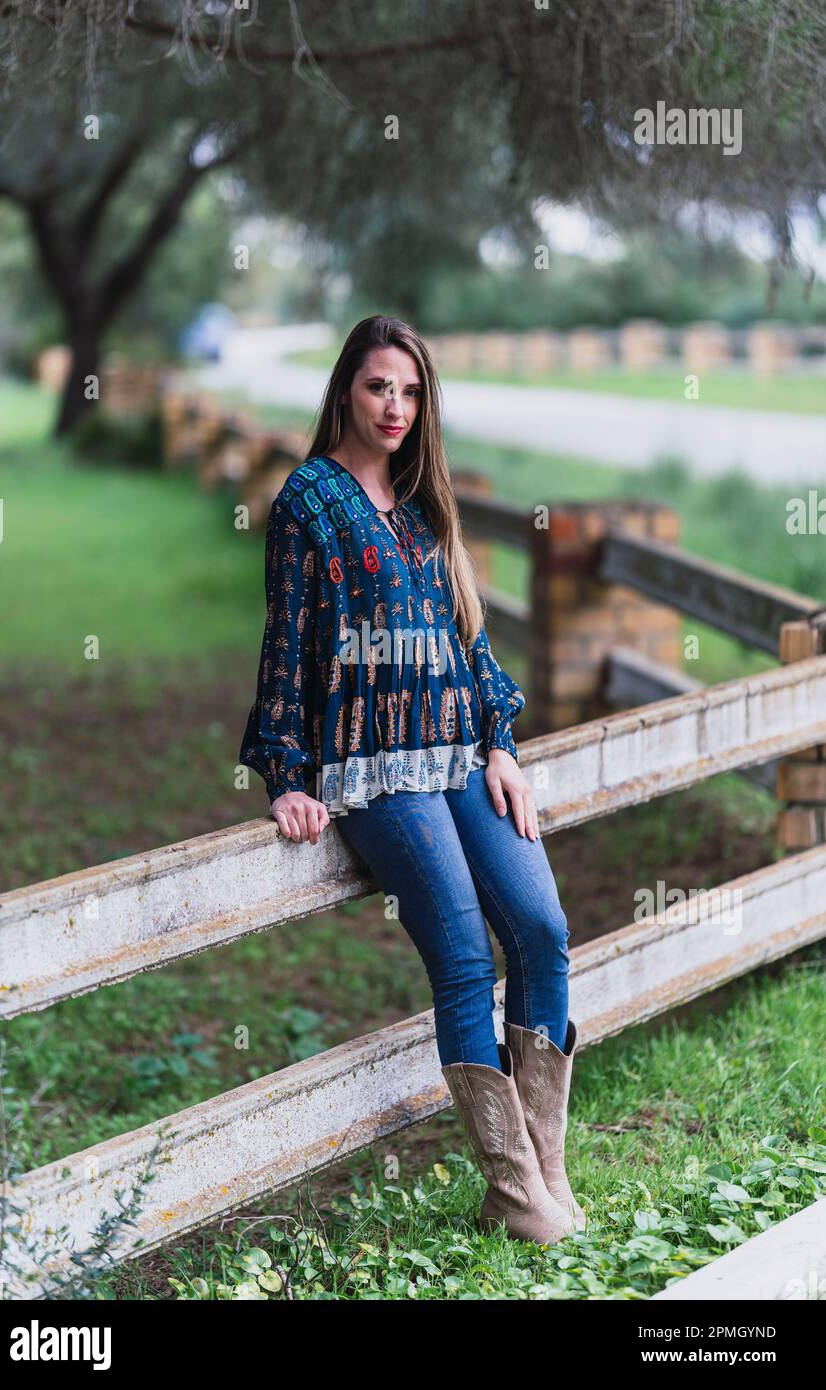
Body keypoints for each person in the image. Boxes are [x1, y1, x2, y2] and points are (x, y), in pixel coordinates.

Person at [238, 314, 585, 1243]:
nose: (395, 407)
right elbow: (289, 645)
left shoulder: (426, 503)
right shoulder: (307, 502)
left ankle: (546, 1172)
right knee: (467, 958)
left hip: (461, 752)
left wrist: (502, 742)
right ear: (345, 391)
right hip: (374, 765)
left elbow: (469, 640)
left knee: (543, 930)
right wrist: (286, 773)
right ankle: (515, 1195)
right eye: (378, 387)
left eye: (411, 390)